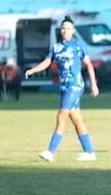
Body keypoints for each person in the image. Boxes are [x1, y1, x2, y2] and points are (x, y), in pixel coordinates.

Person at [25, 16, 99, 162]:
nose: (65, 31)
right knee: (76, 119)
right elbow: (46, 62)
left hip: (75, 85)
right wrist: (33, 70)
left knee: (61, 116)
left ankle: (50, 151)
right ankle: (89, 152)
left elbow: (89, 65)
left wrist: (94, 84)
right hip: (65, 87)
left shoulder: (78, 46)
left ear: (73, 30)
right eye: (63, 28)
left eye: (68, 28)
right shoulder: (56, 48)